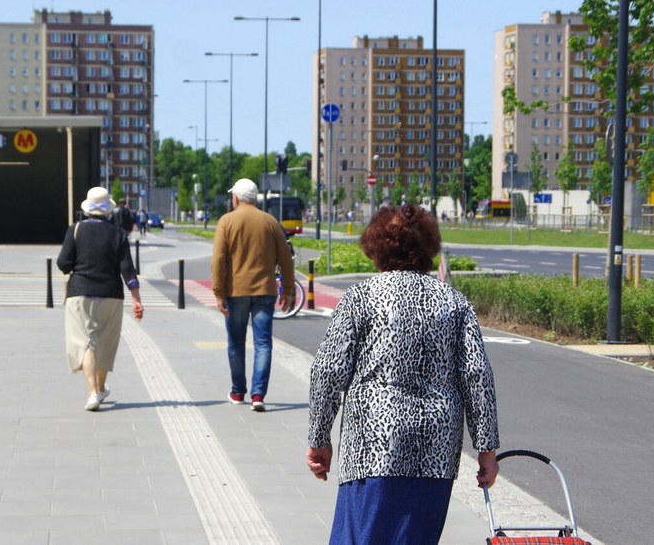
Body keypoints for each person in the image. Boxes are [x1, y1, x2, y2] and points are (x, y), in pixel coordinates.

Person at [306, 203, 500, 545]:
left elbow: (327, 370)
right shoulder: (454, 303)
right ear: (428, 246)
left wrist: (319, 437)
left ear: (376, 247)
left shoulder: (362, 298)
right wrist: (486, 449)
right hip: (435, 450)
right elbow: (477, 376)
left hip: (373, 445)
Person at [57, 187, 144, 412]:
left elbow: (63, 263)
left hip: (80, 293)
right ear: (108, 210)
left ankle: (93, 392)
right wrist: (137, 299)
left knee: (86, 342)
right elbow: (127, 268)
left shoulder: (75, 230)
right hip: (111, 294)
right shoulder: (117, 234)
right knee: (105, 344)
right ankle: (101, 387)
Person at [212, 178, 294, 412]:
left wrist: (218, 291)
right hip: (265, 291)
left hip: (235, 291)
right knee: (263, 343)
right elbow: (285, 258)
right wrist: (287, 290)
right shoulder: (270, 222)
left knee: (236, 343)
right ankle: (258, 395)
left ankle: (238, 392)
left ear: (236, 198)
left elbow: (219, 259)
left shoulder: (226, 221)